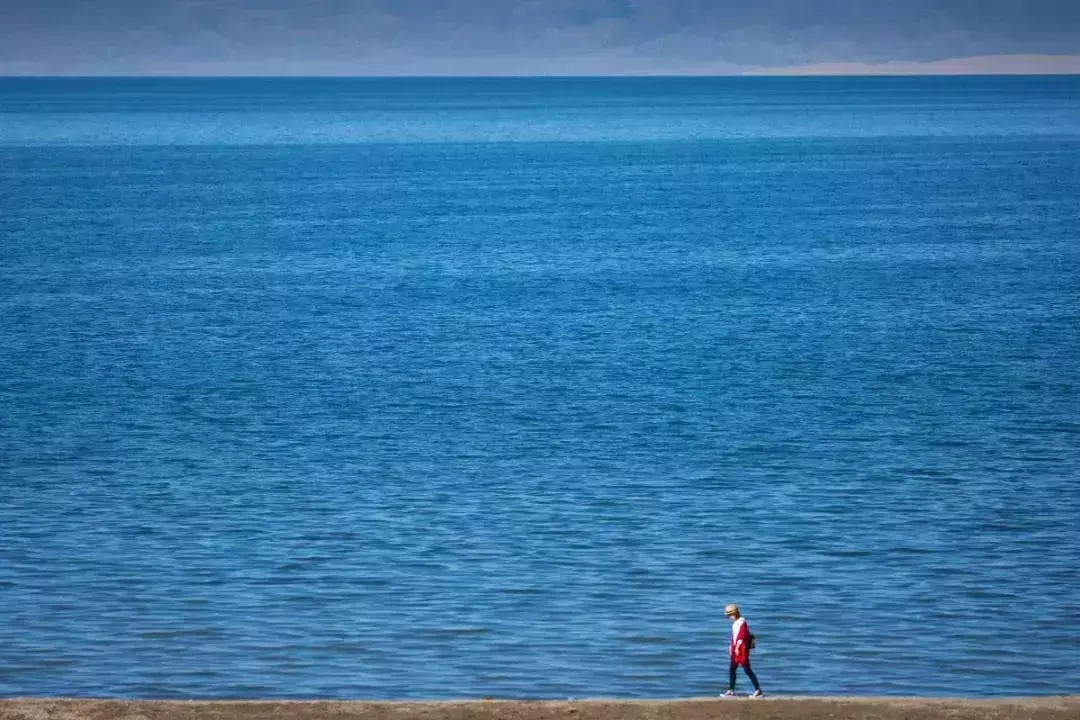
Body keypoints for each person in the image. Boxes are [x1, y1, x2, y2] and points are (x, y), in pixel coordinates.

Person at [724, 603, 763, 697]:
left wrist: (737, 648)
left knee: (747, 670)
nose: (729, 618)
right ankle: (731, 690)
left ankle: (758, 690)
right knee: (732, 669)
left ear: (735, 614)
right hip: (736, 650)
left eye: (730, 616)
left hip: (741, 650)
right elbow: (735, 637)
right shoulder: (736, 623)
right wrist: (731, 648)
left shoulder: (741, 622)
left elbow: (741, 636)